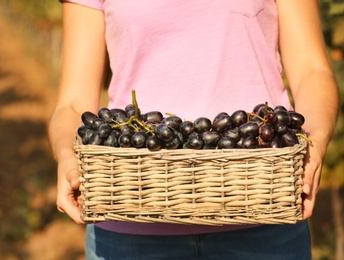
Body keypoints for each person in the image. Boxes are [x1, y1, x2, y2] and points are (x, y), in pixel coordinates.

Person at [48, 0, 339, 259]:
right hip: (129, 223)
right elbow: (72, 105)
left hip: (264, 218)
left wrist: (316, 141)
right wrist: (66, 154)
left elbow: (311, 71)